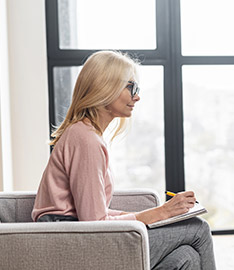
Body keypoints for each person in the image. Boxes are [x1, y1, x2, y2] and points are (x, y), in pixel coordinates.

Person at [32, 50, 216, 270]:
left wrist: (161, 213)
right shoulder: (85, 139)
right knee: (197, 229)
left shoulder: (85, 134)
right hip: (73, 246)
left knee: (187, 257)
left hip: (76, 237)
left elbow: (93, 213)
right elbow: (94, 224)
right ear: (104, 86)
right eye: (131, 87)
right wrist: (160, 213)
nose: (136, 96)